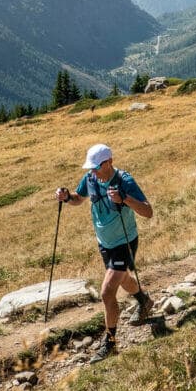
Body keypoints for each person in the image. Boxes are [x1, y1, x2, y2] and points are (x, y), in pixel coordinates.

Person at [56, 143, 154, 362]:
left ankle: (110, 343)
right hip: (105, 242)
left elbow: (148, 212)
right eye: (90, 167)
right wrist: (66, 197)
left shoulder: (124, 181)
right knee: (121, 279)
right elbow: (79, 198)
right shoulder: (90, 178)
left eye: (95, 167)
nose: (92, 171)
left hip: (124, 241)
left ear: (108, 162)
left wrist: (125, 199)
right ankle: (144, 301)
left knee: (107, 292)